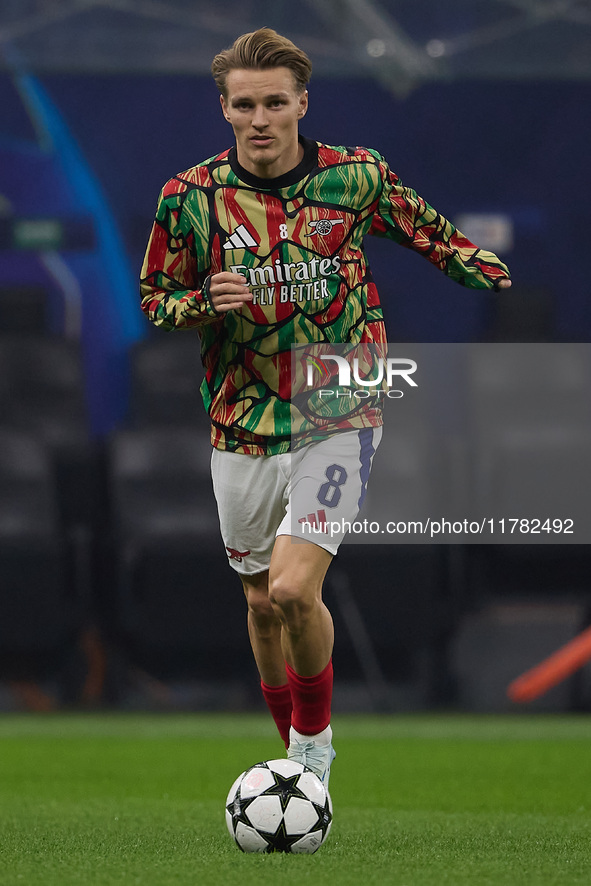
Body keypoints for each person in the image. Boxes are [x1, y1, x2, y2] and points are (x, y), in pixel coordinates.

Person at [140, 27, 511, 788]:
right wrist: (201, 300)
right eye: (245, 105)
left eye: (275, 102)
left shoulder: (357, 177)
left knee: (290, 587)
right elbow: (155, 301)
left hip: (336, 397)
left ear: (302, 103)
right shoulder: (188, 198)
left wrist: (485, 271)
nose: (261, 119)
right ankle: (293, 761)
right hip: (241, 416)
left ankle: (312, 749)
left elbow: (431, 235)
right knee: (259, 601)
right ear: (225, 110)